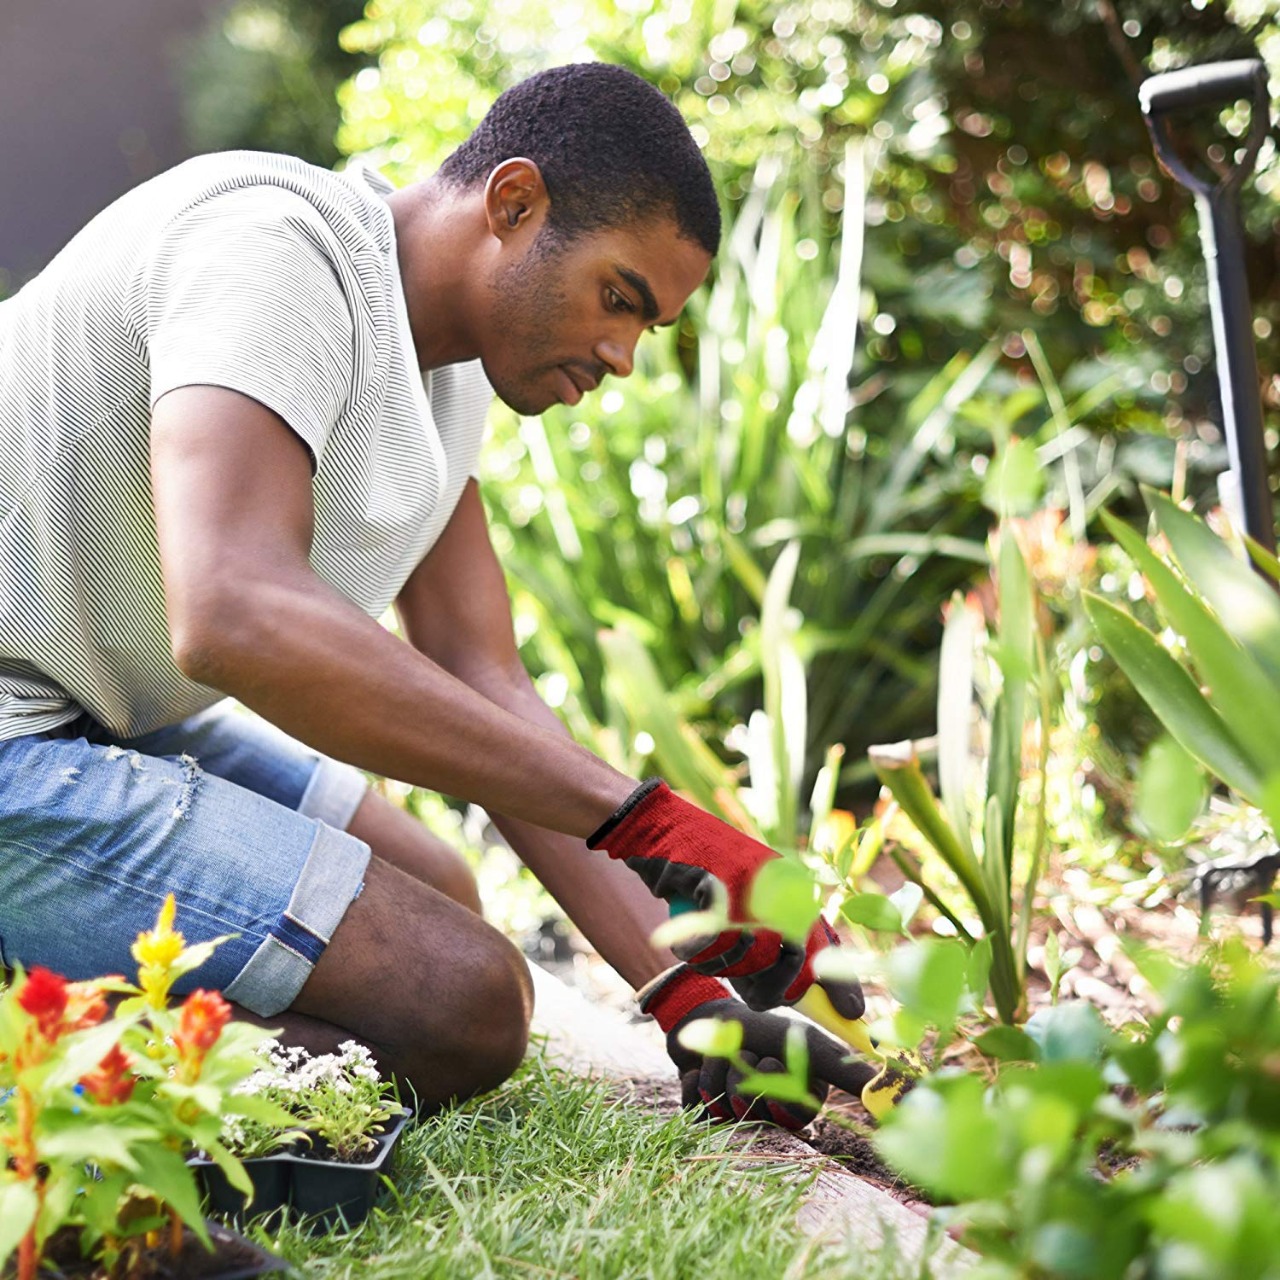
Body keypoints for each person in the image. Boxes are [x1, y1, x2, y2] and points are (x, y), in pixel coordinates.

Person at [0, 62, 868, 1128]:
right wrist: (643, 817)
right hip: (11, 730)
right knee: (462, 1002)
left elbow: (481, 673)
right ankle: (33, 1050)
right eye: (616, 297)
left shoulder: (444, 374)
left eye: (646, 328)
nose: (623, 355)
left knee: (432, 882)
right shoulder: (275, 250)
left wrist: (684, 989)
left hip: (87, 720)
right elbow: (231, 608)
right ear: (513, 204)